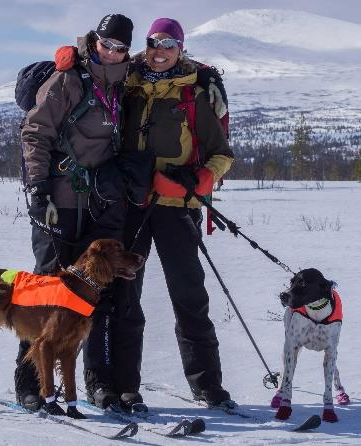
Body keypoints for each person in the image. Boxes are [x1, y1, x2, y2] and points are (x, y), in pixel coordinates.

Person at [114, 18, 236, 408]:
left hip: (178, 210)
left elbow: (222, 155)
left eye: (168, 43)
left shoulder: (194, 94)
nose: (160, 49)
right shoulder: (124, 87)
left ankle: (208, 387)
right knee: (125, 298)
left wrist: (201, 180)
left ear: (180, 48)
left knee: (189, 298)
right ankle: (124, 386)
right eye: (154, 42)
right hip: (133, 208)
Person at [17, 13, 134, 413]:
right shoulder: (68, 80)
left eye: (120, 48)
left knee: (94, 294)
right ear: (94, 41)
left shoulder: (124, 82)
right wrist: (37, 187)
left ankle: (97, 382)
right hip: (59, 200)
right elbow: (35, 133)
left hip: (100, 203)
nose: (112, 52)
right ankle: (31, 383)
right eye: (107, 44)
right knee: (46, 289)